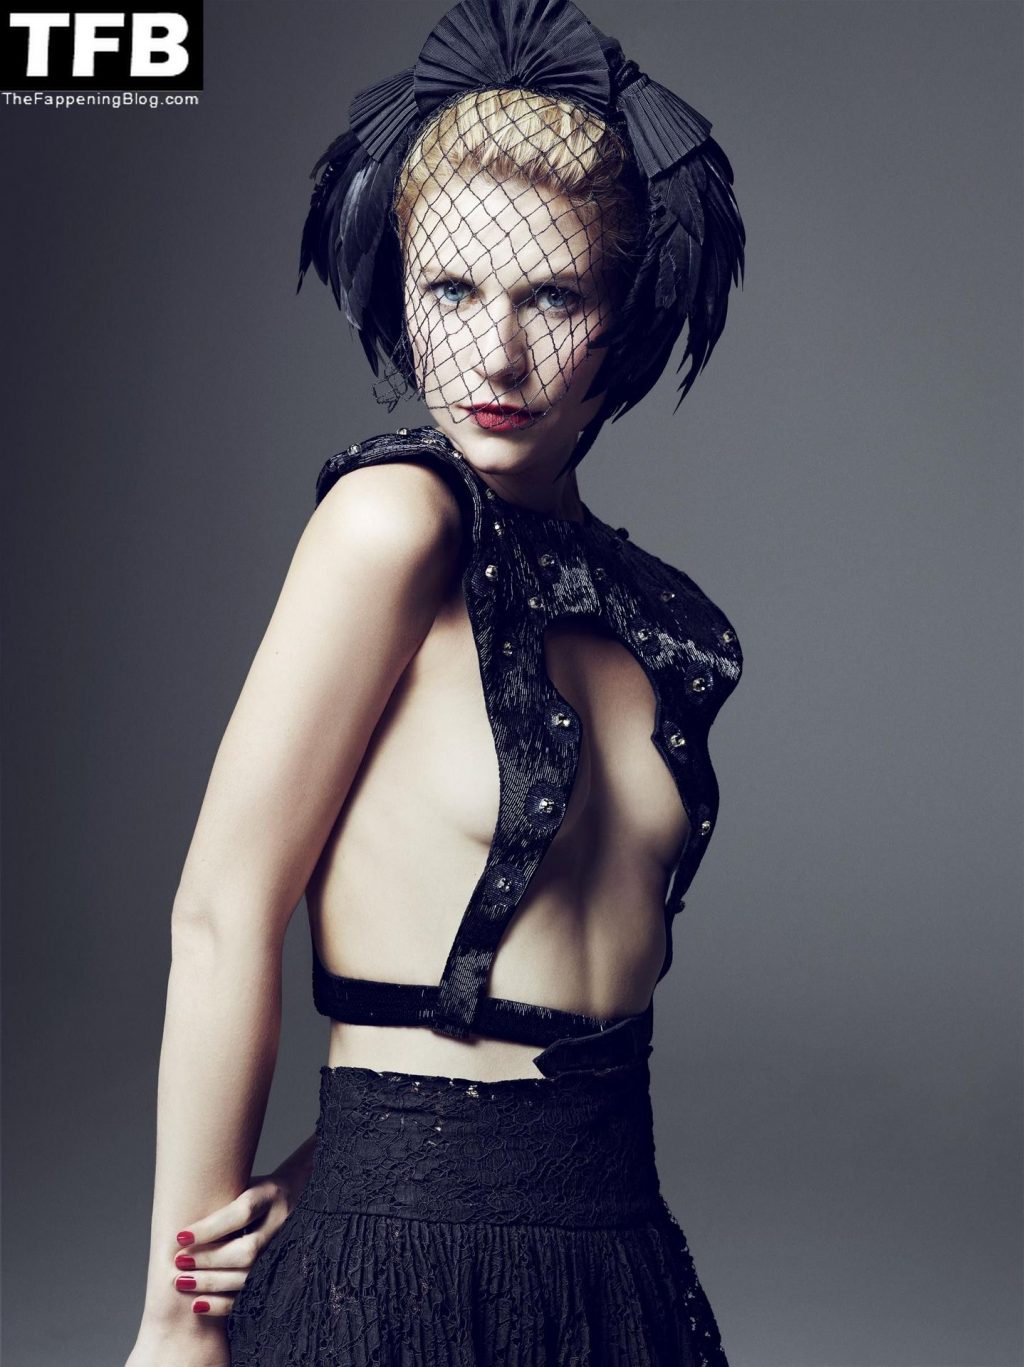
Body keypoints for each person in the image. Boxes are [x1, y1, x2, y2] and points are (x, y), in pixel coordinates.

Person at [125, 1, 745, 1364]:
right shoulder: (393, 524)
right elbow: (221, 913)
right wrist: (178, 1322)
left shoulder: (660, 617)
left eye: (553, 296)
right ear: (399, 290)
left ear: (625, 316)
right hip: (399, 1277)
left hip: (621, 1264)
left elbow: (575, 1010)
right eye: (453, 290)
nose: (495, 354)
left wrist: (322, 1168)